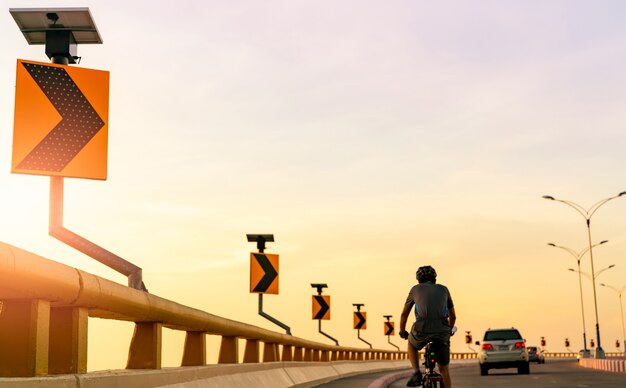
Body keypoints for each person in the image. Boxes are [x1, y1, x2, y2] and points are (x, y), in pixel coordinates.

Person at [399, 265, 456, 387]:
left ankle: (416, 372)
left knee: (411, 344)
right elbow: (453, 316)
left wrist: (402, 330)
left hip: (421, 329)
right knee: (444, 370)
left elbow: (404, 314)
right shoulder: (444, 289)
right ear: (435, 278)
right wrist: (449, 331)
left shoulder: (415, 289)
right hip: (442, 331)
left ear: (418, 279)